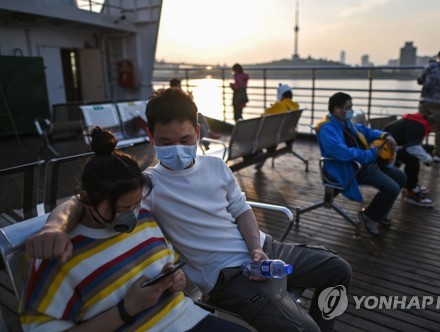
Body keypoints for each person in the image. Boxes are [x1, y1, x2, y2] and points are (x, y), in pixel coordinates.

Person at [26, 88, 351, 332]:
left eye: (185, 139)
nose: (177, 149)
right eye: (165, 142)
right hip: (230, 278)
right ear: (151, 137)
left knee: (339, 271)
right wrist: (54, 228)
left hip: (265, 250)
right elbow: (81, 200)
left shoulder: (216, 166)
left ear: (198, 132)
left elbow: (242, 211)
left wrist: (256, 249)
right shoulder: (147, 185)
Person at [20, 127, 249, 331]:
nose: (131, 215)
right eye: (121, 208)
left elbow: (169, 261)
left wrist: (176, 278)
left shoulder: (145, 220)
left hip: (185, 316)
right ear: (86, 200)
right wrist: (125, 310)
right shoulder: (59, 254)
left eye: (136, 204)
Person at [315, 92, 406, 236]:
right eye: (348, 107)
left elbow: (364, 131)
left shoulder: (344, 122)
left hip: (365, 163)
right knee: (392, 188)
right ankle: (370, 217)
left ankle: (379, 214)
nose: (351, 111)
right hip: (350, 169)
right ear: (337, 109)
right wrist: (369, 154)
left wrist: (385, 135)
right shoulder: (327, 128)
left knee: (401, 177)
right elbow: (341, 153)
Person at [384, 113, 435, 207]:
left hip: (390, 144)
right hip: (388, 148)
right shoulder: (418, 126)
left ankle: (410, 186)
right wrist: (428, 159)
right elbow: (412, 147)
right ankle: (411, 193)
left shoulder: (415, 121)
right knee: (413, 161)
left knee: (411, 159)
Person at [169, 77, 220, 143]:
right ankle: (207, 139)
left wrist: (188, 97)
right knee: (200, 125)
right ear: (176, 86)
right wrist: (189, 98)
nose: (180, 87)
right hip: (180, 115)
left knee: (200, 118)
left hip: (183, 113)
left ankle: (209, 134)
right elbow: (181, 106)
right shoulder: (175, 94)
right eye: (179, 85)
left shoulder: (173, 93)